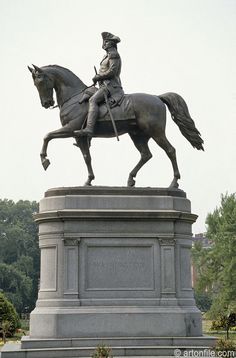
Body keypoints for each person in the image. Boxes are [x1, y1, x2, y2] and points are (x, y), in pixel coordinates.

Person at [75, 32, 124, 137]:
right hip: (103, 85)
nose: (104, 44)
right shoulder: (106, 55)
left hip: (111, 87)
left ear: (111, 43)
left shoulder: (113, 54)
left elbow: (113, 71)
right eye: (104, 41)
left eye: (106, 42)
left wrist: (99, 77)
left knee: (93, 100)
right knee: (87, 93)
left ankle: (89, 129)